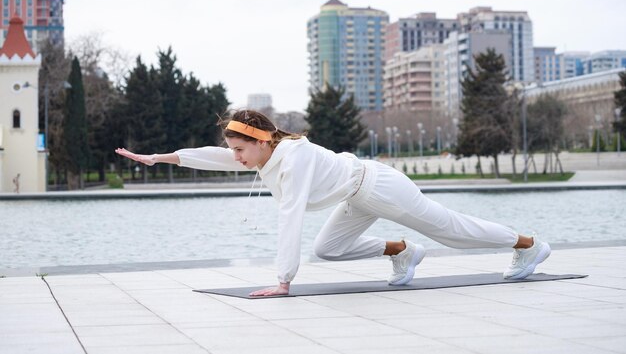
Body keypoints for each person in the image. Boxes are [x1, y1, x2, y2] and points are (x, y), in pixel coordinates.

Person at [115, 109, 551, 297]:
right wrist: (160, 157)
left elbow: (290, 217)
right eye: (234, 152)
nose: (236, 158)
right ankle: (402, 251)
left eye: (241, 150)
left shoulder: (294, 157)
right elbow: (214, 157)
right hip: (355, 196)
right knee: (329, 249)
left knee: (450, 231)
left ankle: (528, 244)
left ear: (262, 142)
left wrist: (284, 280)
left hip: (381, 186)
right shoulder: (265, 153)